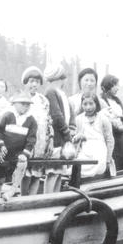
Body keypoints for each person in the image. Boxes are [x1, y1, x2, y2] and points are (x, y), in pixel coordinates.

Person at [0, 92, 37, 200]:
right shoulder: (8, 116)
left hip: (19, 152)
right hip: (4, 150)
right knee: (0, 179)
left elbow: (31, 139)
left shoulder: (31, 120)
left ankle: (11, 191)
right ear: (15, 104)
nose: (25, 106)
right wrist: (1, 145)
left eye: (28, 104)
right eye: (23, 104)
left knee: (22, 164)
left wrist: (25, 153)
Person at [43, 63, 74, 193]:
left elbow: (70, 114)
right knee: (52, 172)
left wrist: (71, 128)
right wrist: (67, 133)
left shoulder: (61, 93)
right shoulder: (51, 91)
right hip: (55, 137)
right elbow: (56, 115)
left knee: (59, 172)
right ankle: (48, 199)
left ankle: (54, 198)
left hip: (62, 137)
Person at [21, 66, 52, 196]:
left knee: (37, 173)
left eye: (37, 82)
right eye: (31, 81)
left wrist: (50, 139)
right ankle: (23, 199)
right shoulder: (20, 98)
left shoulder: (43, 101)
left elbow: (49, 122)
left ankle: (32, 200)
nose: (34, 84)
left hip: (41, 142)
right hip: (25, 142)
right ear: (25, 82)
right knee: (25, 173)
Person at [73, 93, 114, 178]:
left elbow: (110, 140)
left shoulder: (103, 118)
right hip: (85, 151)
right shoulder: (79, 119)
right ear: (81, 105)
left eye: (91, 104)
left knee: (98, 168)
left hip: (100, 151)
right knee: (75, 168)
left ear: (96, 104)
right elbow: (75, 140)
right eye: (85, 104)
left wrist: (108, 160)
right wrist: (77, 137)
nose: (88, 107)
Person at [100, 75, 123, 170]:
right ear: (108, 86)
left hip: (121, 136)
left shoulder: (117, 100)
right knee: (113, 162)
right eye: (115, 85)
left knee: (122, 162)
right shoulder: (101, 101)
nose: (117, 88)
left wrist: (120, 116)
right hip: (110, 136)